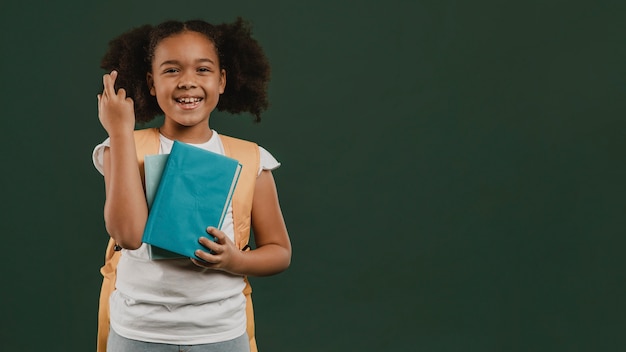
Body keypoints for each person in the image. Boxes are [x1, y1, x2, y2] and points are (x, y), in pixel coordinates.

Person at [92, 18, 291, 352]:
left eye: (203, 69)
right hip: (138, 333)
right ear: (151, 83)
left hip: (221, 334)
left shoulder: (251, 159)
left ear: (222, 80)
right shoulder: (124, 147)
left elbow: (280, 252)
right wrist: (119, 131)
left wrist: (234, 261)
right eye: (171, 70)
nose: (187, 82)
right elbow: (127, 235)